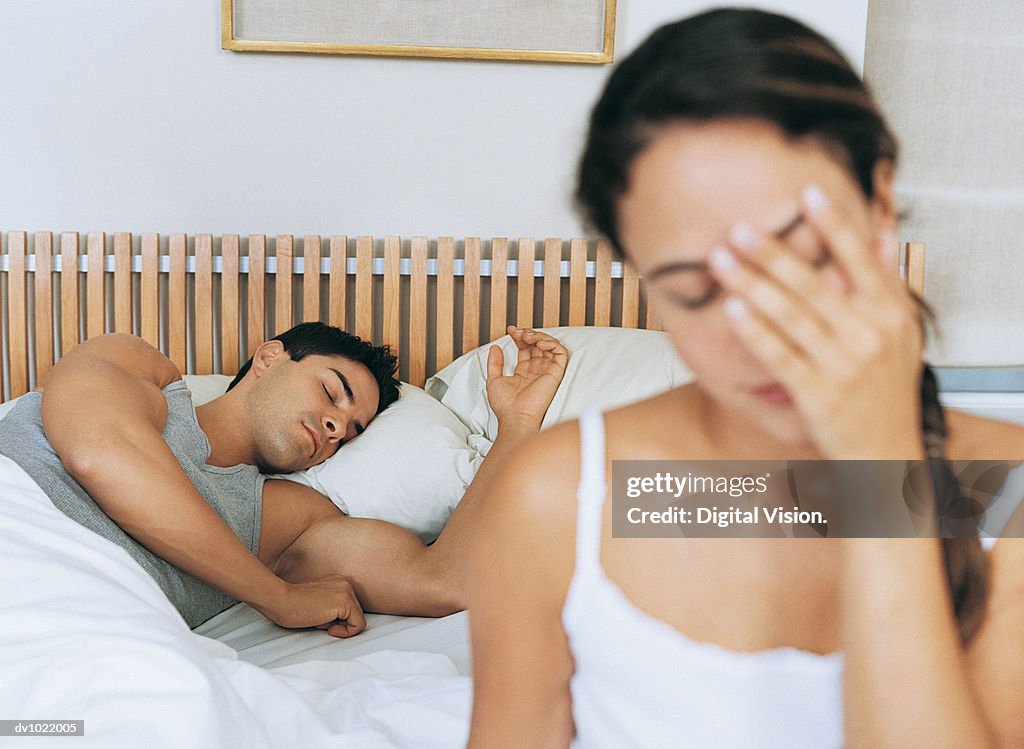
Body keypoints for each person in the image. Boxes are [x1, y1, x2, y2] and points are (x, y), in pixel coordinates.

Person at [466, 9, 1024, 747]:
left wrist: (879, 471)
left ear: (879, 202)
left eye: (796, 260)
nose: (760, 335)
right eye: (695, 288)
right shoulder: (560, 498)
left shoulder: (1005, 491)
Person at [0, 321, 567, 635]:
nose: (334, 425)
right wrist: (275, 597)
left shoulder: (287, 518)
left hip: (66, 627)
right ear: (271, 357)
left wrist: (516, 427)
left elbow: (445, 582)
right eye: (331, 392)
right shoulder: (137, 368)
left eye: (349, 431)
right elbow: (101, 454)